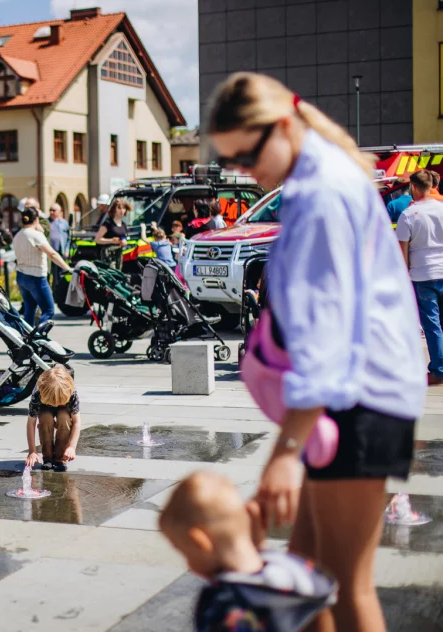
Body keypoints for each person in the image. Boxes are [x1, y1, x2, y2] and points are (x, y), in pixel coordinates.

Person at [209, 71, 424, 631]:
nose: (245, 172)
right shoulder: (322, 179)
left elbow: (325, 334)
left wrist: (285, 452)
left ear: (282, 126)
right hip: (357, 397)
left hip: (359, 399)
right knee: (305, 580)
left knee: (342, 587)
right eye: (233, 161)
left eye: (247, 154)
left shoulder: (320, 192)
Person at [160, 472, 336, 632]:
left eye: (184, 552)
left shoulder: (226, 602)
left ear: (200, 542)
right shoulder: (296, 571)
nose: (188, 564)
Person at [396, 169, 443, 385]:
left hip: (423, 274)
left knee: (432, 324)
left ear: (414, 187)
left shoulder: (408, 215)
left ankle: (438, 370)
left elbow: (402, 251)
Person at [13, 207, 72, 327]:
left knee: (30, 309)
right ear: (36, 220)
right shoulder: (36, 235)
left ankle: (27, 338)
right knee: (49, 310)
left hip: (21, 276)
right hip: (36, 277)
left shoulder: (18, 235)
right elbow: (52, 254)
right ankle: (39, 336)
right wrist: (68, 268)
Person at [24, 365, 80, 473]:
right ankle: (48, 457)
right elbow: (31, 423)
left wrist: (72, 447)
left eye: (58, 402)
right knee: (45, 418)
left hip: (64, 405)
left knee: (64, 418)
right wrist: (32, 451)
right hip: (45, 405)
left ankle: (60, 458)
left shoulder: (71, 392)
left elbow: (77, 422)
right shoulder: (38, 394)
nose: (56, 405)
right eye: (53, 403)